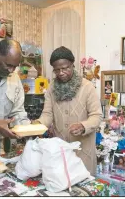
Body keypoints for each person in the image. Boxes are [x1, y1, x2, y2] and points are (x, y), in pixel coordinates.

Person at [34, 46, 102, 175]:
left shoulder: (87, 87)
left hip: (83, 153)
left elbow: (97, 116)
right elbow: (47, 114)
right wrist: (38, 124)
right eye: (57, 70)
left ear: (72, 65)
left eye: (65, 68)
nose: (61, 73)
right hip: (60, 152)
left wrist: (83, 126)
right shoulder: (51, 88)